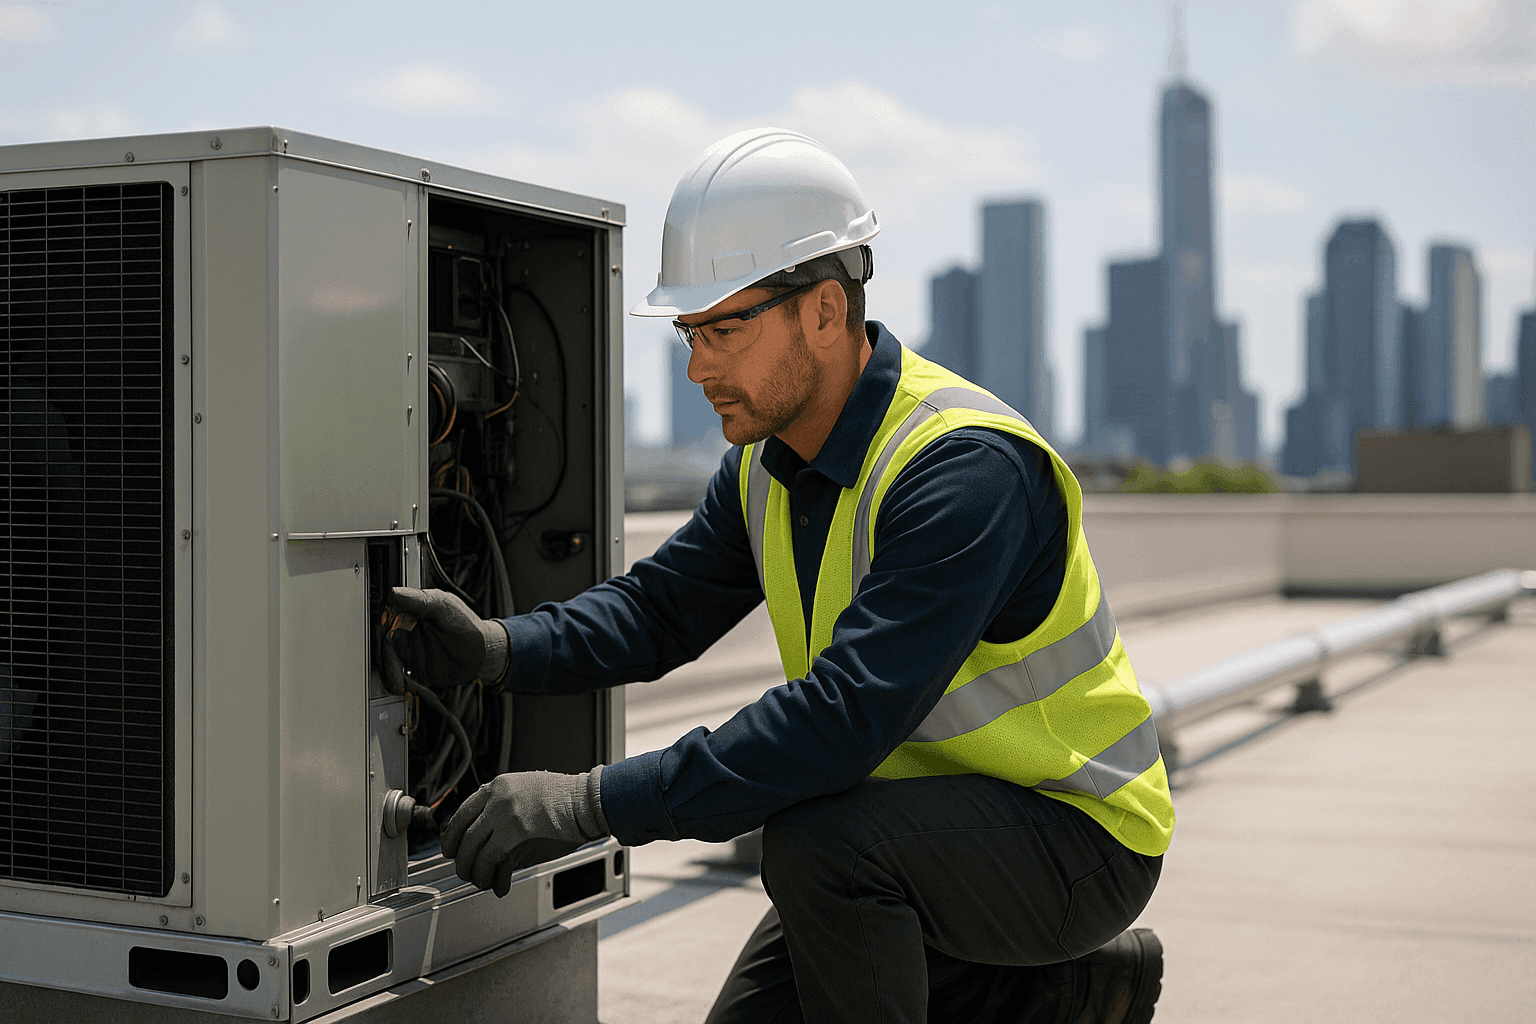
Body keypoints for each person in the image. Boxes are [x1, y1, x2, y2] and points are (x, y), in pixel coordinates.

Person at [386, 127, 1174, 1024]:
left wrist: (585, 802)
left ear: (826, 311)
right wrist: (495, 648)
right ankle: (1055, 993)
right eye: (690, 332)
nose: (698, 366)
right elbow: (658, 611)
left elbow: (840, 720)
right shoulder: (766, 464)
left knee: (817, 848)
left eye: (725, 328)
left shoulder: (963, 469)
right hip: (909, 822)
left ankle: (1049, 974)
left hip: (1074, 838)